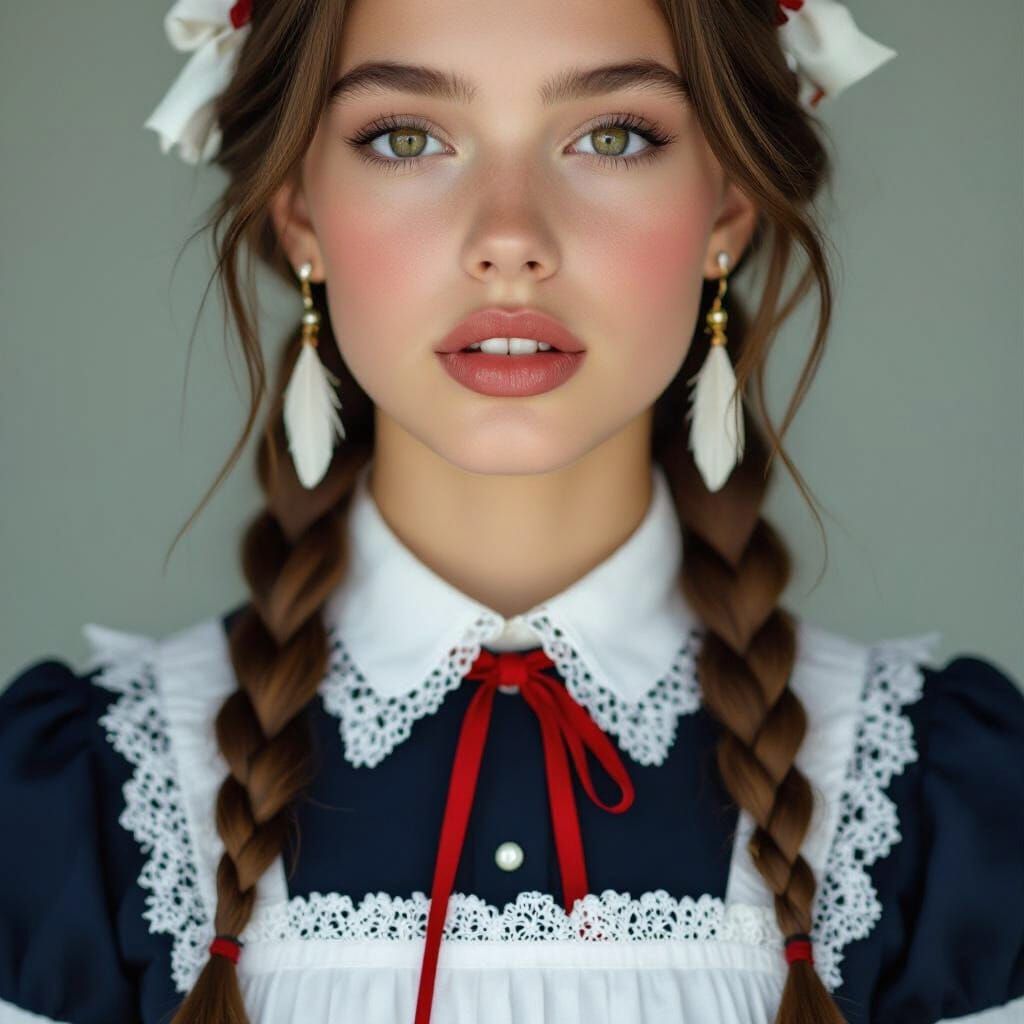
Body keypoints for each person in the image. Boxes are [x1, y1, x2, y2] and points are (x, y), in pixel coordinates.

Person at [1, 0, 1022, 1022]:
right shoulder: (70, 809)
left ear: (729, 207)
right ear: (298, 211)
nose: (508, 239)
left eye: (612, 137)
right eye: (405, 139)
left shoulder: (951, 813)